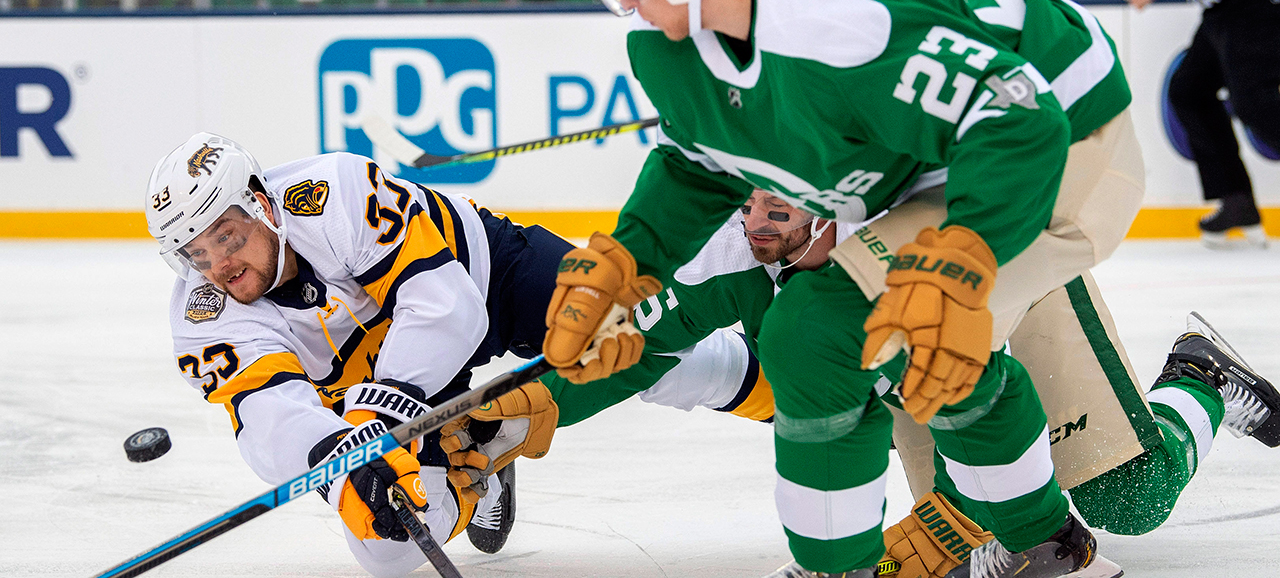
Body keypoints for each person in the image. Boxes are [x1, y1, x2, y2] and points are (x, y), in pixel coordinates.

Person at [544, 0, 1152, 575]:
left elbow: (1016, 118)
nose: (625, 0)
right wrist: (627, 261)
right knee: (858, 336)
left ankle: (869, 560)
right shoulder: (671, 44)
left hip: (1066, 131)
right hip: (949, 152)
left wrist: (963, 256)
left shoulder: (835, 18)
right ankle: (1045, 542)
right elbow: (698, 164)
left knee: (826, 332)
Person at [540, 191, 1280, 578]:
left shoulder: (896, 211)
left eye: (776, 209)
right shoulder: (739, 246)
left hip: (1010, 285)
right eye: (747, 205)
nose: (755, 226)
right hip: (909, 345)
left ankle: (1198, 378)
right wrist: (523, 412)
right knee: (966, 545)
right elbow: (631, 349)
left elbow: (983, 386)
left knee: (1128, 500)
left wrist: (964, 511)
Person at [144, 132, 741, 577]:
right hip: (379, 387)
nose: (221, 266)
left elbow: (444, 305)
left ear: (263, 206)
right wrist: (339, 467)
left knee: (620, 342)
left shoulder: (333, 192)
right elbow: (267, 417)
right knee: (387, 548)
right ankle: (482, 456)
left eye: (227, 236)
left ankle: (776, 367)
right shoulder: (202, 320)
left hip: (483, 275)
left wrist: (376, 419)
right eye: (197, 254)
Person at [1126, 0, 1280, 247]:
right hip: (1227, 6)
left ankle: (1236, 201)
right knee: (1189, 90)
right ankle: (1236, 202)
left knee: (1256, 103)